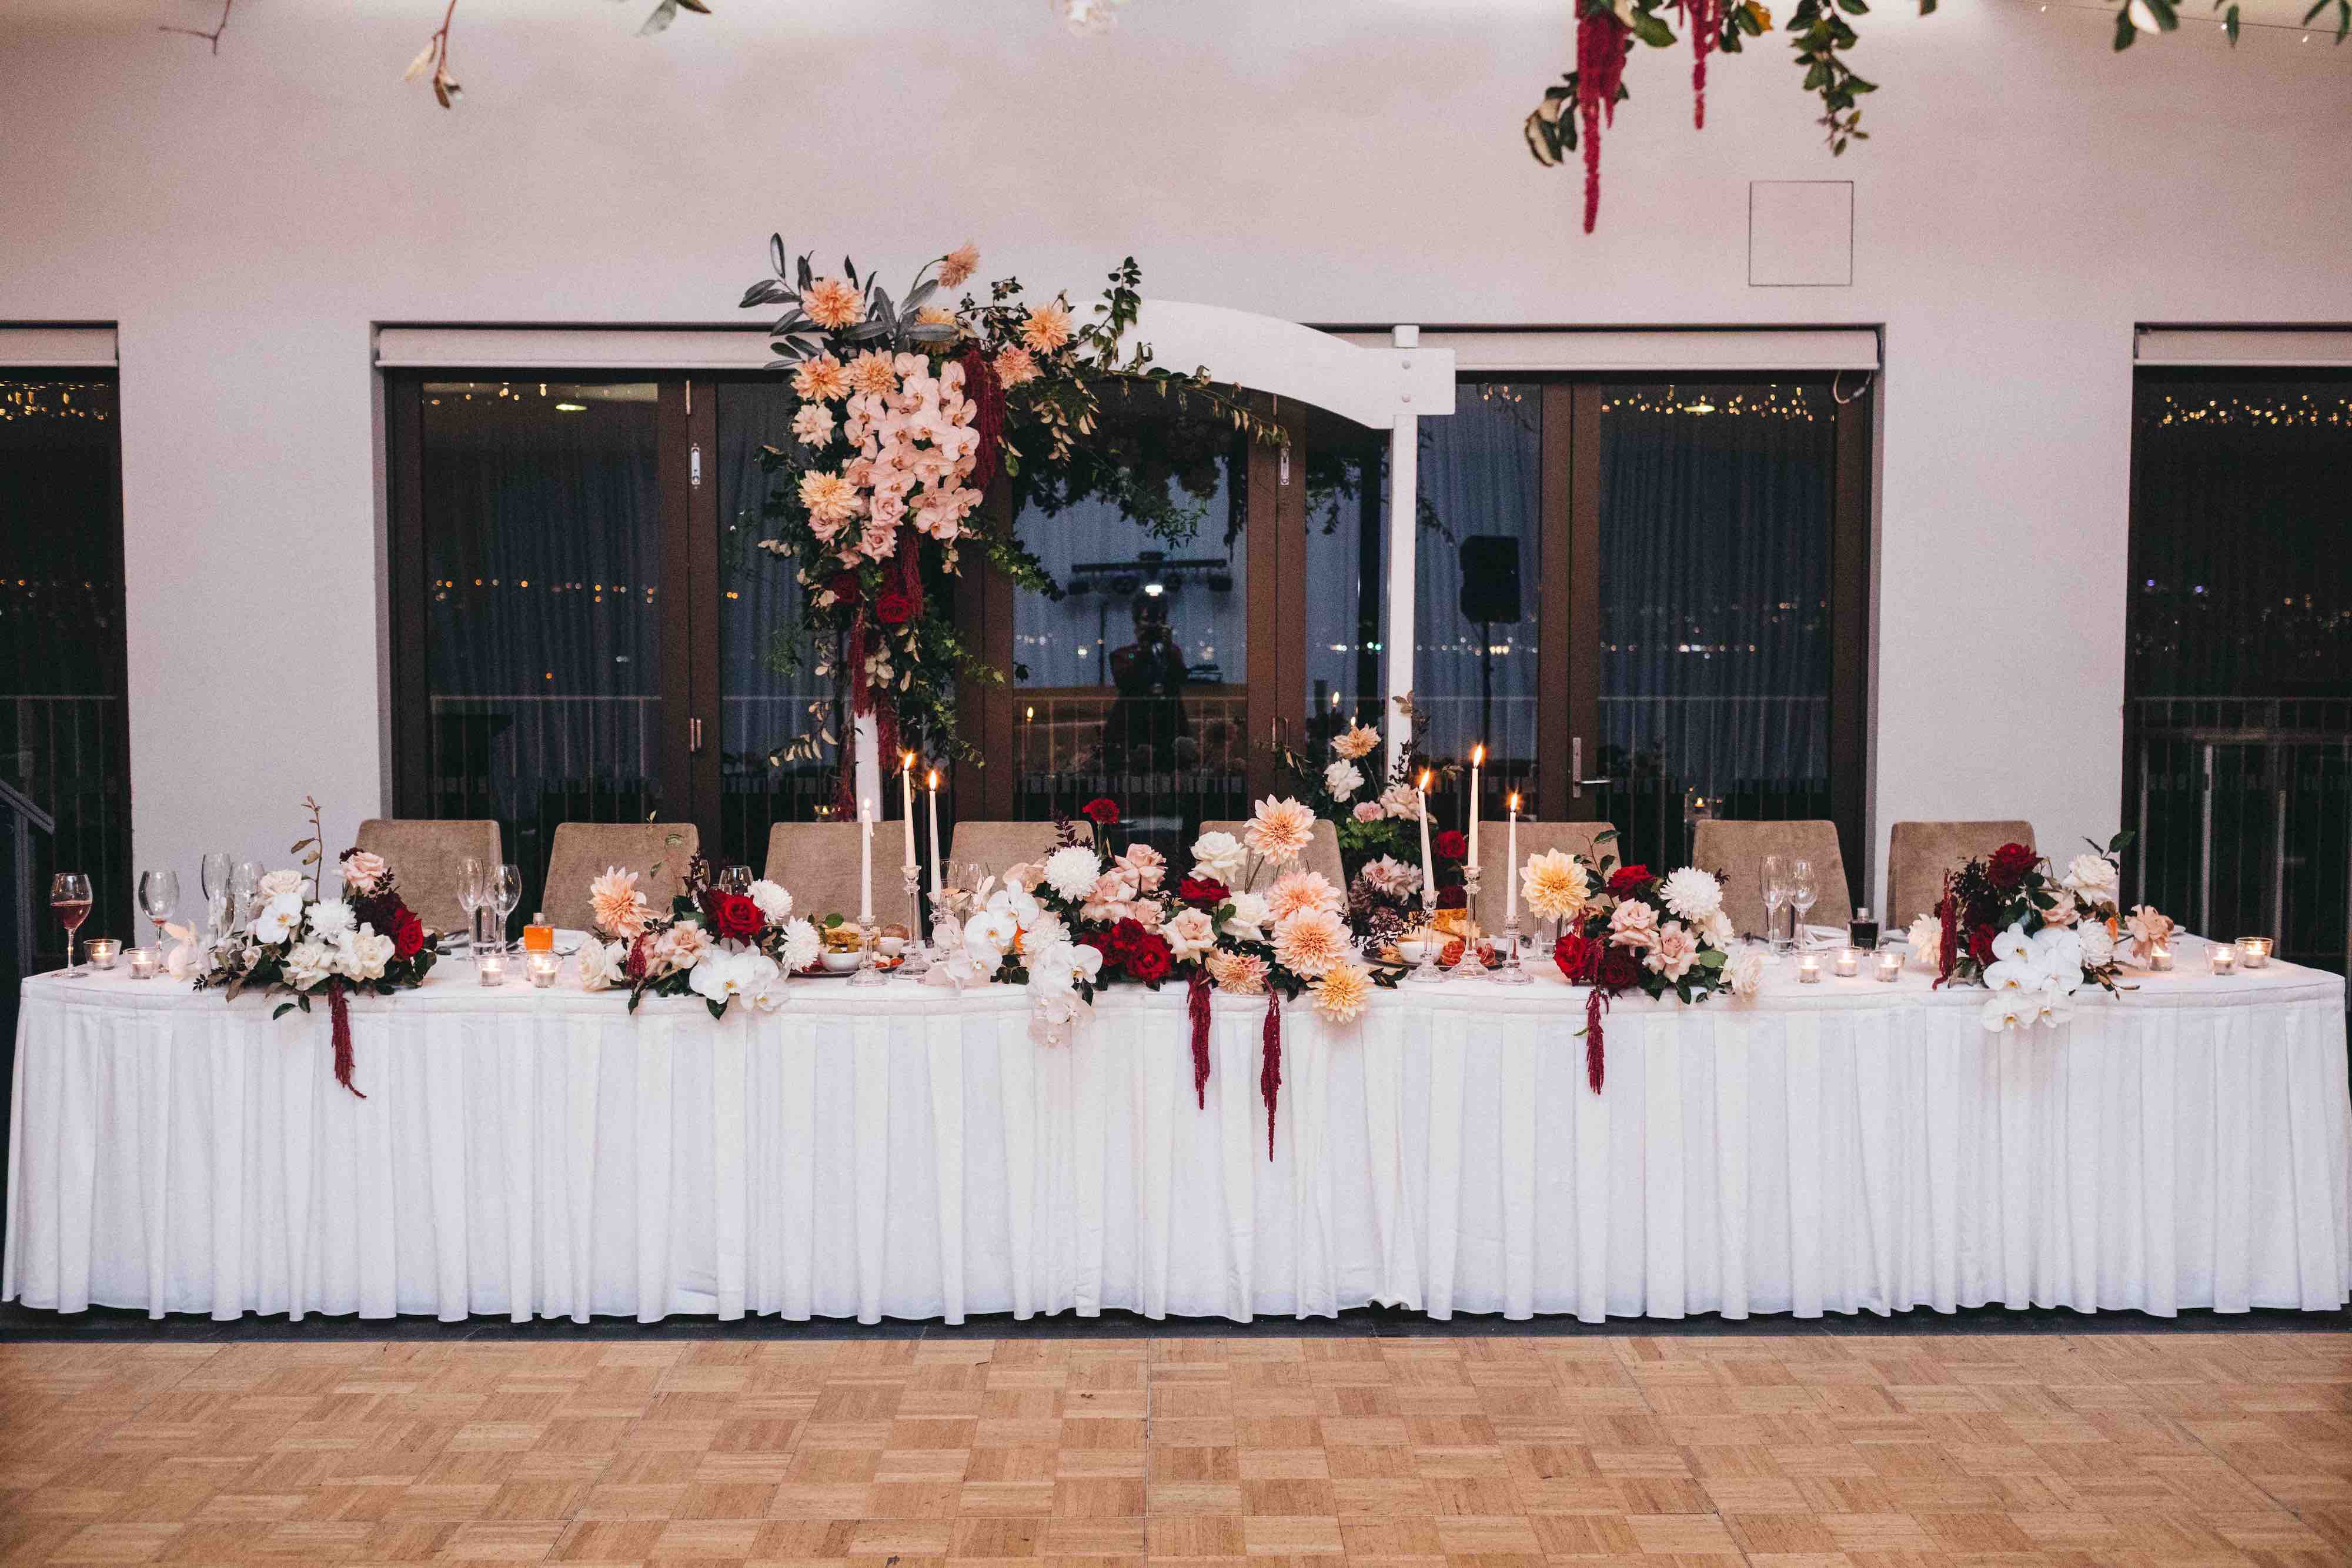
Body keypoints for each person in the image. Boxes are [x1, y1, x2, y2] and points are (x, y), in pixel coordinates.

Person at [1104, 596, 1190, 771]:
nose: (1152, 626)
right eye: (1146, 620)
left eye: (1157, 620)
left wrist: (1168, 647)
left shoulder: (1171, 652)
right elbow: (1125, 681)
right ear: (1136, 624)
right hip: (1132, 725)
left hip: (1168, 725)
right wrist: (1143, 650)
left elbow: (1181, 677)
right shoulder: (1124, 654)